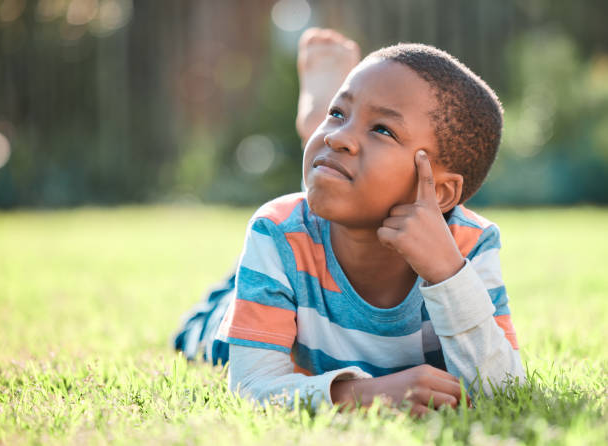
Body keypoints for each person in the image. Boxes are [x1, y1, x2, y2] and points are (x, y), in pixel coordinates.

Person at [174, 29, 525, 416]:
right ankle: (320, 146)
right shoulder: (277, 233)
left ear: (440, 193)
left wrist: (447, 274)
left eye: (382, 130)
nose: (340, 136)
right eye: (337, 114)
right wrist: (365, 394)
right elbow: (252, 387)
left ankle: (324, 148)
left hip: (308, 246)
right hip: (284, 284)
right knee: (205, 332)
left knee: (321, 195)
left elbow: (504, 390)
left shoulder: (470, 245)